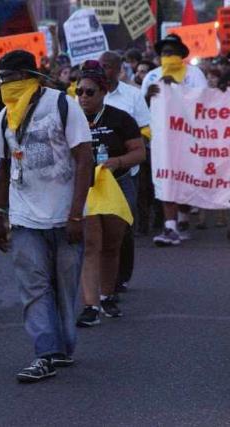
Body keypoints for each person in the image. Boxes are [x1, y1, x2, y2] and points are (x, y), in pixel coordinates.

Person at [0, 50, 93, 383]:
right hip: (25, 218)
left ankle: (62, 348)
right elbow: (4, 166)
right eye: (1, 80)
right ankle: (45, 353)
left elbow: (84, 159)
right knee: (34, 289)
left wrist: (76, 215)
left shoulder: (63, 105)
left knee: (64, 287)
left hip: (65, 217)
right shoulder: (6, 116)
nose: (4, 86)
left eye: (9, 79)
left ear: (29, 77)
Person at [74, 61, 145, 326]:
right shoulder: (70, 117)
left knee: (112, 244)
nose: (83, 97)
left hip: (117, 185)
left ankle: (107, 296)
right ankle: (90, 306)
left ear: (103, 92)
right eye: (79, 91)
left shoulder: (120, 118)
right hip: (86, 188)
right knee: (91, 244)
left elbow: (139, 152)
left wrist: (118, 162)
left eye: (89, 92)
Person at [141, 34, 207, 246]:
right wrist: (148, 96)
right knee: (166, 177)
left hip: (188, 136)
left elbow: (203, 101)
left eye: (171, 52)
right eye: (163, 52)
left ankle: (183, 217)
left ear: (180, 54)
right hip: (162, 139)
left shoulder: (194, 74)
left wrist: (178, 89)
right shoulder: (151, 77)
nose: (167, 55)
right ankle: (170, 226)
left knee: (185, 178)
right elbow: (143, 109)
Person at [99, 51, 151, 294]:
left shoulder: (132, 95)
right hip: (95, 176)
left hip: (125, 174)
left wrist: (125, 150)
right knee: (97, 227)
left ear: (119, 69)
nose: (103, 70)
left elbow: (146, 129)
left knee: (122, 226)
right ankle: (102, 277)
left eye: (108, 66)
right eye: (100, 65)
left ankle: (121, 275)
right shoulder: (86, 94)